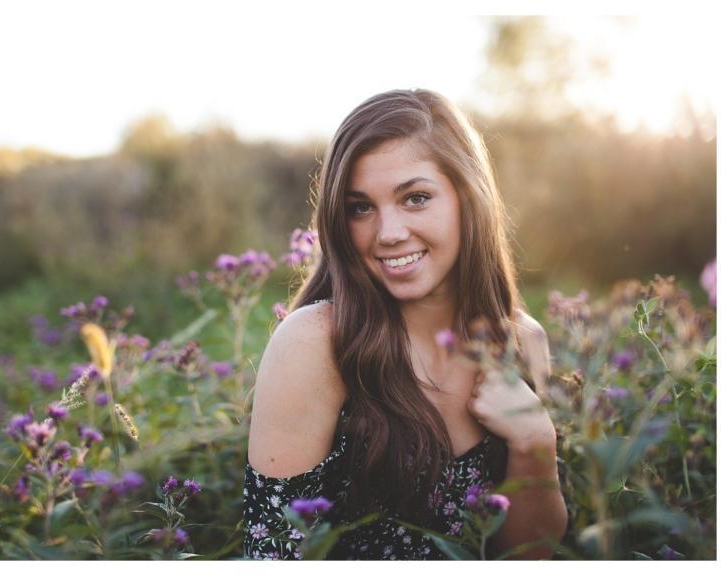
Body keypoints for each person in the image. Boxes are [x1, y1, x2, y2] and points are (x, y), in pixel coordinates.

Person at [243, 89, 568, 560]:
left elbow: (528, 557)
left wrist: (534, 438)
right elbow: (274, 554)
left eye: (415, 198)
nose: (389, 232)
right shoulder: (317, 344)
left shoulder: (522, 342)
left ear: (467, 199)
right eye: (360, 207)